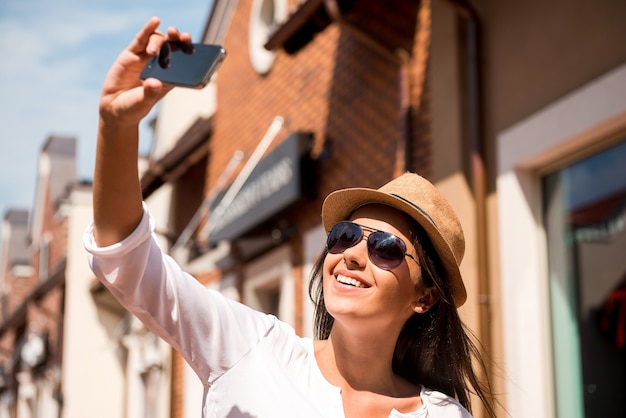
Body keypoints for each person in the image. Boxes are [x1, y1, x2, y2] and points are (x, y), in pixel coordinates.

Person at [84, 17, 497, 418]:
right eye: (345, 235)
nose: (352, 254)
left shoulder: (444, 413)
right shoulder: (252, 350)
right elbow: (125, 260)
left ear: (423, 297)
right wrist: (116, 126)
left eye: (385, 248)